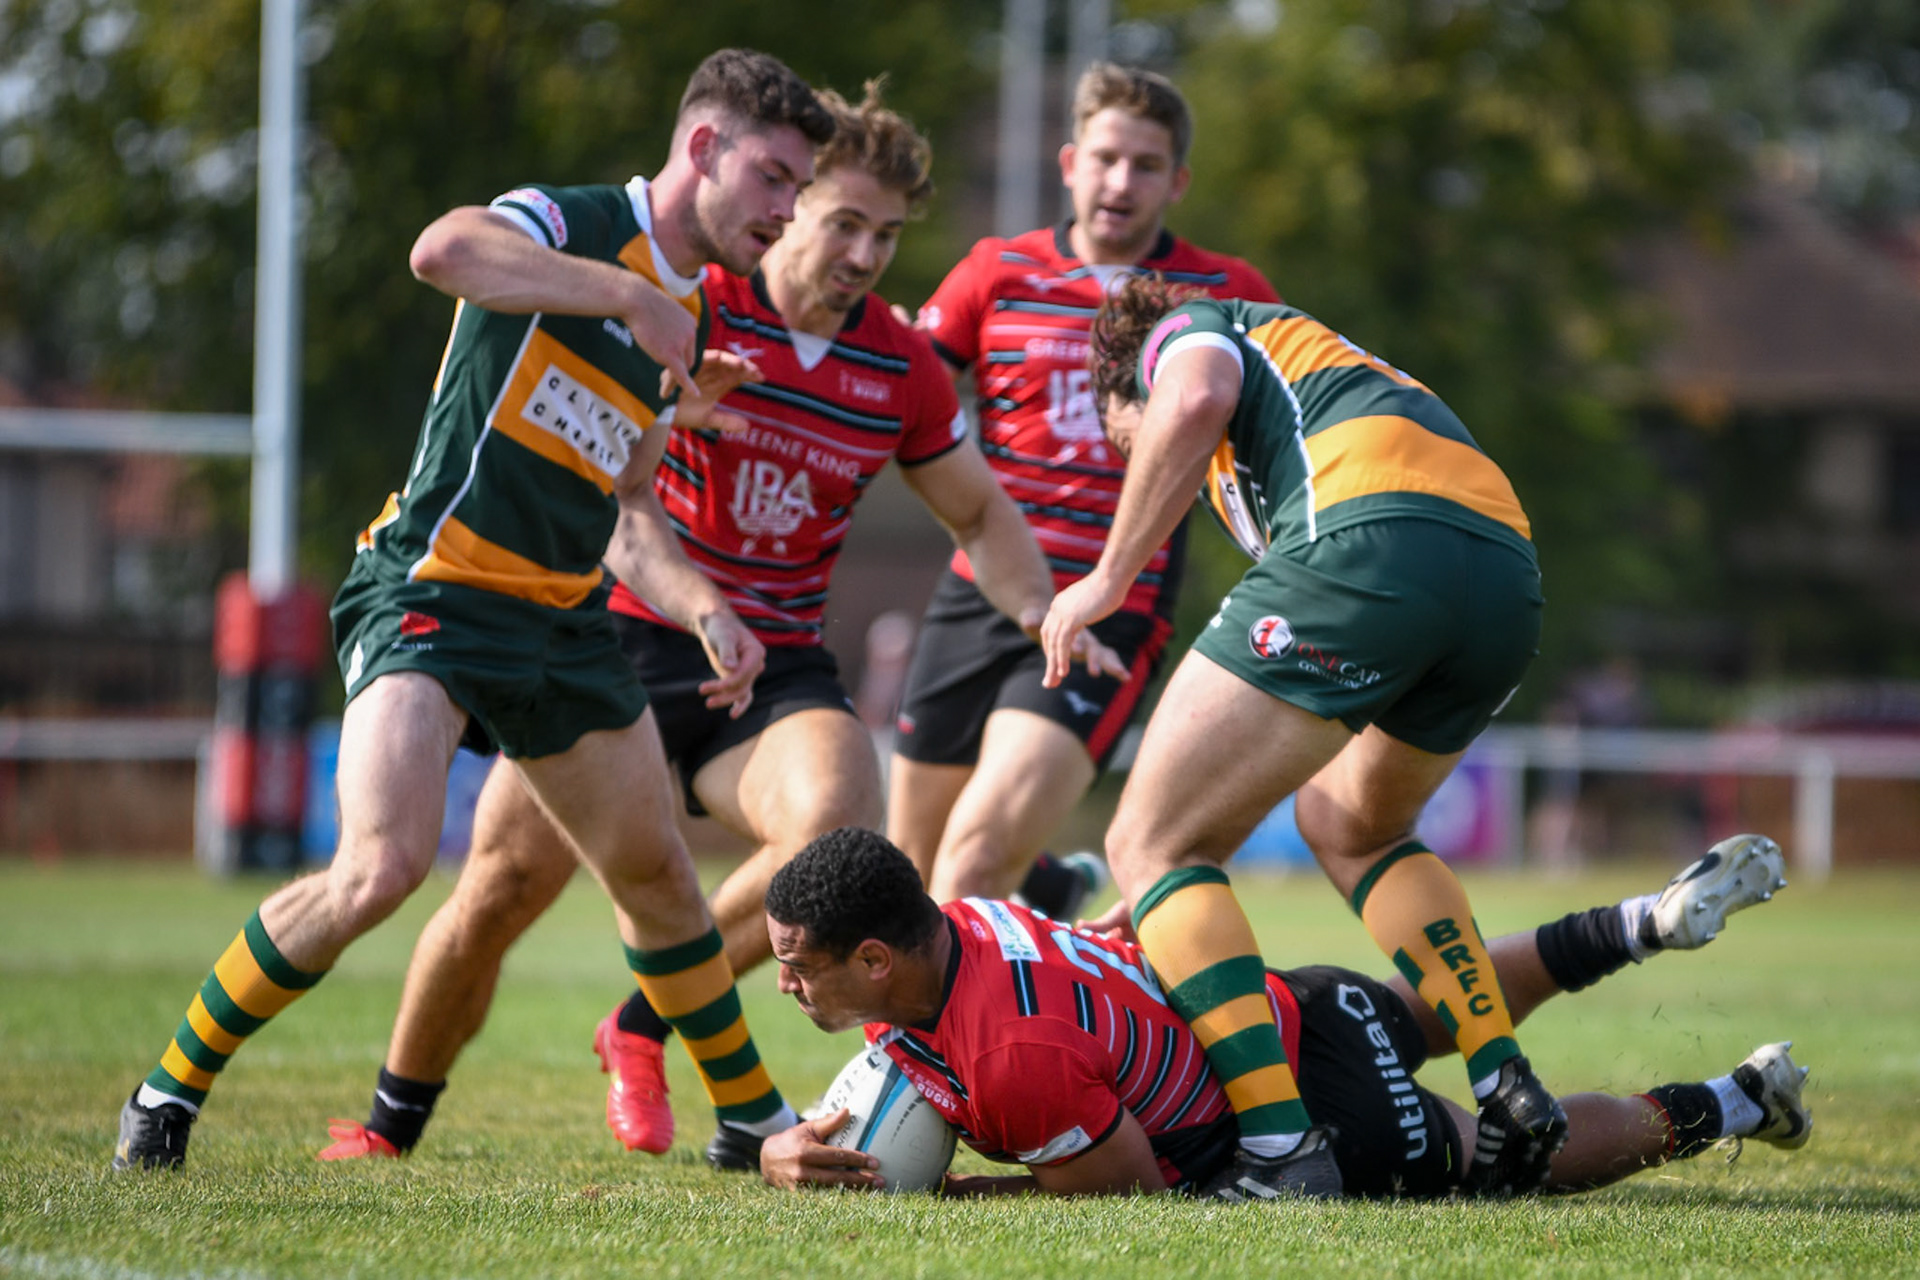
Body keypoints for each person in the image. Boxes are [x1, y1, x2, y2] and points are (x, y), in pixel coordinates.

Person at [310, 82, 1122, 1169]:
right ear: (785, 207)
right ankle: (387, 1123)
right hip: (621, 640)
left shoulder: (901, 368)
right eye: (843, 220)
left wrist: (1044, 609)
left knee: (840, 826)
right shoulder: (691, 301)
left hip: (774, 665)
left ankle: (639, 1022)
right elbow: (618, 502)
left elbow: (979, 509)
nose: (867, 253)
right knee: (498, 889)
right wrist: (701, 601)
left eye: (888, 233)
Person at [110, 48, 835, 1172]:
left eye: (800, 189)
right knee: (381, 867)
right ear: (705, 149)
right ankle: (166, 1093)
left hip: (561, 622)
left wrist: (704, 607)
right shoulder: (573, 221)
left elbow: (628, 501)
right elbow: (441, 250)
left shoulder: (684, 316)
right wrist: (628, 292)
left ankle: (750, 1121)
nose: (789, 212)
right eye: (777, 178)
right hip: (435, 587)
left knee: (656, 875)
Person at [1034, 275, 1576, 1199]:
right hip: (1503, 577)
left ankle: (1283, 1151)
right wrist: (1176, 881)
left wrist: (1107, 578)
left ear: (1127, 389)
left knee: (1141, 839)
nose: (1147, 461)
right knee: (1353, 824)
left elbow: (1196, 395)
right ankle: (1501, 1076)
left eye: (1129, 440)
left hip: (1371, 542)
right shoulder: (1322, 378)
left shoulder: (1187, 330)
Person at [757, 827, 1806, 1199]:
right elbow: (908, 1049)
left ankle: (1744, 1095)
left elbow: (1120, 1193)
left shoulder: (1011, 1054)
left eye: (797, 964)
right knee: (1432, 1005)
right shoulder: (963, 922)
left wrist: (948, 1197)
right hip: (1274, 1005)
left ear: (879, 956)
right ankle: (1639, 923)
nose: (785, 983)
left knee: (1505, 1154)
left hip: (1308, 1110)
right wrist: (779, 1150)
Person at [887, 63, 1280, 911]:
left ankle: (951, 1038)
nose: (1120, 181)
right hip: (980, 595)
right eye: (1105, 158)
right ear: (1069, 164)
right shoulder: (995, 273)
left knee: (973, 859)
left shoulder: (1227, 293)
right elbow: (899, 395)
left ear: (1176, 181)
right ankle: (1045, 889)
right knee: (907, 875)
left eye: (1145, 165)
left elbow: (1287, 435)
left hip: (1111, 609)